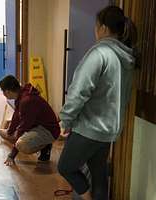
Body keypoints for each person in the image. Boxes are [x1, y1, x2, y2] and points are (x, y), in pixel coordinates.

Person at [57, 6, 137, 200]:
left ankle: (87, 198)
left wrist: (65, 120)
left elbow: (79, 91)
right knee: (99, 175)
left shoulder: (99, 53)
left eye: (96, 26)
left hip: (89, 128)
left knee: (65, 167)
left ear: (102, 27)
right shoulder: (126, 58)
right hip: (109, 130)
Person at [0, 75, 60, 166]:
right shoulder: (22, 94)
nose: (3, 94)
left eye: (3, 91)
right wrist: (10, 132)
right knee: (12, 135)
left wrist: (12, 155)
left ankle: (46, 145)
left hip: (49, 130)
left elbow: (23, 129)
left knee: (21, 144)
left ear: (7, 91)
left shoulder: (27, 101)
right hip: (36, 126)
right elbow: (16, 117)